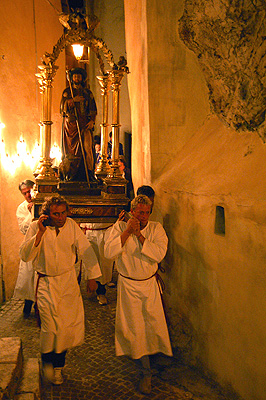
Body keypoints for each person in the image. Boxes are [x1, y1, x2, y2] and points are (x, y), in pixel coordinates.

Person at [20, 196, 101, 385]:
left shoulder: (71, 226)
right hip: (46, 284)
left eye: (64, 212)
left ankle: (58, 368)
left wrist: (93, 277)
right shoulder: (35, 227)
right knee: (49, 328)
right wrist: (39, 234)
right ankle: (47, 362)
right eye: (56, 214)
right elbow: (24, 255)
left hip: (68, 282)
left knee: (64, 329)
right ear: (47, 214)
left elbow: (86, 250)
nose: (61, 217)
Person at [104, 194, 172, 394]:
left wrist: (140, 236)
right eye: (139, 212)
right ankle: (146, 372)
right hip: (129, 286)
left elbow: (159, 254)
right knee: (135, 327)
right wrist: (127, 232)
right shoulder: (118, 228)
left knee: (153, 324)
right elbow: (109, 253)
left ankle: (153, 359)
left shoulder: (156, 229)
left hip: (149, 285)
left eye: (146, 213)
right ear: (132, 211)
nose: (143, 216)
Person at [60, 67, 97, 182]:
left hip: (84, 124)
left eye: (79, 76)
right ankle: (71, 173)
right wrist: (72, 101)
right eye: (75, 76)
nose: (77, 78)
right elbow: (62, 109)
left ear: (82, 78)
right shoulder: (67, 92)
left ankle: (89, 172)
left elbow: (92, 108)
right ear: (72, 78)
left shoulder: (87, 93)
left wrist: (92, 121)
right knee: (72, 151)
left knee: (87, 148)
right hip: (71, 126)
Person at [13, 179, 36, 318]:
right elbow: (24, 228)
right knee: (29, 278)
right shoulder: (22, 208)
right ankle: (27, 308)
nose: (28, 195)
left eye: (29, 191)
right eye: (25, 193)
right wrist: (30, 212)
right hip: (30, 244)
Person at [80, 221, 114, 305]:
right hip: (89, 230)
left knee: (104, 264)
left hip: (105, 230)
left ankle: (101, 292)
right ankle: (90, 285)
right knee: (89, 261)